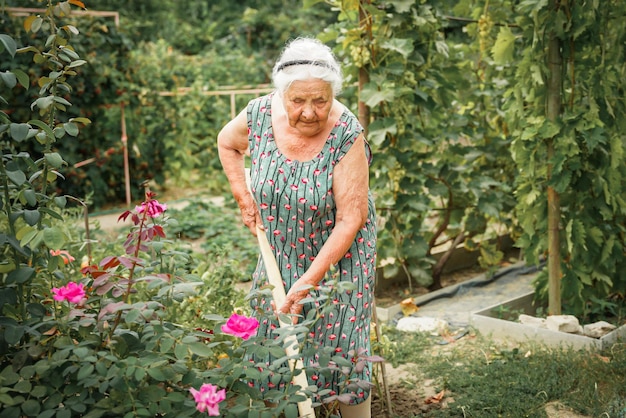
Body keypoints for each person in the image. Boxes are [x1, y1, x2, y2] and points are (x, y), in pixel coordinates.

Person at [217, 37, 377, 417]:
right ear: (281, 94)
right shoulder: (257, 115)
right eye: (298, 101)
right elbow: (227, 143)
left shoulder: (345, 132)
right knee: (272, 343)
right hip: (280, 247)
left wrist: (309, 282)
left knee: (341, 344)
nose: (309, 112)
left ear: (332, 96)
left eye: (320, 100)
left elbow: (351, 217)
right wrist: (243, 195)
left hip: (340, 255)